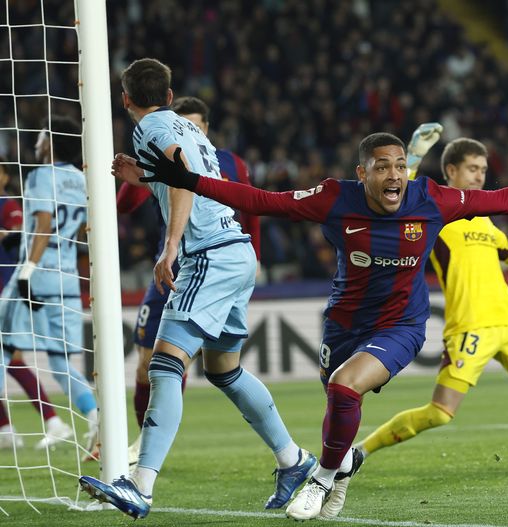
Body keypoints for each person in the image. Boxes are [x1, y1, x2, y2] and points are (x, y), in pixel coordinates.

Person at [135, 126, 508, 520]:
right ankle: (342, 462)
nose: (394, 174)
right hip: (343, 325)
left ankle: (323, 478)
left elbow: (505, 199)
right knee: (336, 401)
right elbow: (264, 200)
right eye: (383, 167)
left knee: (345, 389)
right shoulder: (335, 198)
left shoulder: (431, 200)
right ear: (363, 173)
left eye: (400, 165)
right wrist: (190, 182)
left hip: (402, 326)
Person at [78, 58, 314, 520]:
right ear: (169, 96)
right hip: (235, 250)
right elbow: (188, 178)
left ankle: (140, 484)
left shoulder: (150, 130)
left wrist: (169, 249)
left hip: (207, 255)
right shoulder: (190, 131)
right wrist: (144, 178)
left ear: (126, 100)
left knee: (165, 364)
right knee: (225, 370)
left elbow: (184, 181)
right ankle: (293, 459)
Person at [356, 130, 508, 482]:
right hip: (469, 327)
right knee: (440, 413)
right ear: (450, 171)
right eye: (472, 169)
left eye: (483, 169)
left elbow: (507, 253)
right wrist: (415, 156)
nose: (480, 175)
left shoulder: (483, 216)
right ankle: (358, 451)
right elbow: (399, 196)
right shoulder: (435, 213)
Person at [115, 95, 262, 466]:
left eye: (196, 124)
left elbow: (251, 208)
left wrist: (256, 256)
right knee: (149, 361)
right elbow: (126, 204)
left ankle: (146, 463)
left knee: (174, 359)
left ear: (206, 128)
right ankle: (143, 445)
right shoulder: (160, 142)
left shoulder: (226, 162)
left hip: (210, 257)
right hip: (172, 263)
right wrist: (141, 175)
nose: (188, 130)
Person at [0, 116, 98, 452]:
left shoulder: (41, 175)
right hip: (68, 277)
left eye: (42, 136)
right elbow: (83, 229)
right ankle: (96, 419)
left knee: (1, 346)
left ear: (52, 141)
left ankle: (8, 428)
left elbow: (43, 223)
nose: (37, 142)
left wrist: (28, 269)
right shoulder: (82, 180)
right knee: (59, 360)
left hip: (37, 273)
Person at [0, 159, 71, 449]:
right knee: (12, 360)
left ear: (4, 176)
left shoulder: (6, 204)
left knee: (13, 359)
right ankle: (7, 430)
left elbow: (18, 236)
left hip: (4, 288)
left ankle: (52, 421)